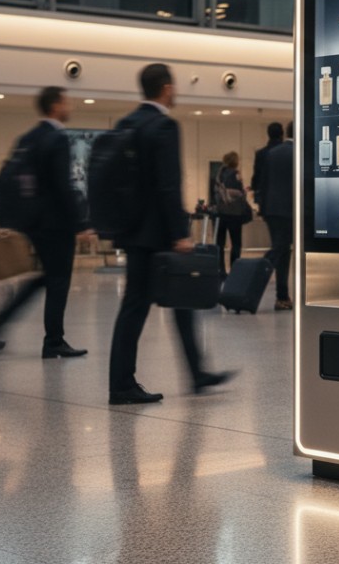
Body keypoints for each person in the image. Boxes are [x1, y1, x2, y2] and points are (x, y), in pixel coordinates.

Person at [107, 63, 233, 405]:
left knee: (160, 304)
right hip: (158, 234)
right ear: (165, 88)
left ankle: (195, 373)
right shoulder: (164, 126)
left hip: (133, 232)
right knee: (150, 305)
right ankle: (123, 385)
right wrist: (180, 233)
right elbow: (167, 184)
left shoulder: (126, 124)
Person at [0, 87, 91, 357]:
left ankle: (1, 321)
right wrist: (79, 223)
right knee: (58, 281)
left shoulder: (28, 137)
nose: (71, 107)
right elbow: (62, 186)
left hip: (34, 223)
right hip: (56, 224)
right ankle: (53, 341)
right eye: (67, 102)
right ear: (56, 105)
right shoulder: (57, 139)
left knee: (47, 277)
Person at [261, 121, 295, 311]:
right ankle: (250, 276)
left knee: (282, 251)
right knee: (279, 250)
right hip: (289, 211)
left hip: (272, 210)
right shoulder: (299, 153)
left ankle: (282, 296)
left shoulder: (272, 153)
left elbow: (264, 183)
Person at [211, 151, 250, 276]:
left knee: (220, 244)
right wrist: (244, 192)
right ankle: (234, 271)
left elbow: (217, 193)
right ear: (235, 161)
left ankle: (220, 270)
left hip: (220, 213)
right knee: (236, 244)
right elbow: (239, 195)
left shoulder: (219, 174)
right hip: (234, 214)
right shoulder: (236, 174)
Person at [251, 122, 285, 214]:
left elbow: (257, 175)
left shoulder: (261, 153)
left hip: (266, 196)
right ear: (282, 134)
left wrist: (255, 189)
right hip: (285, 196)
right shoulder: (290, 152)